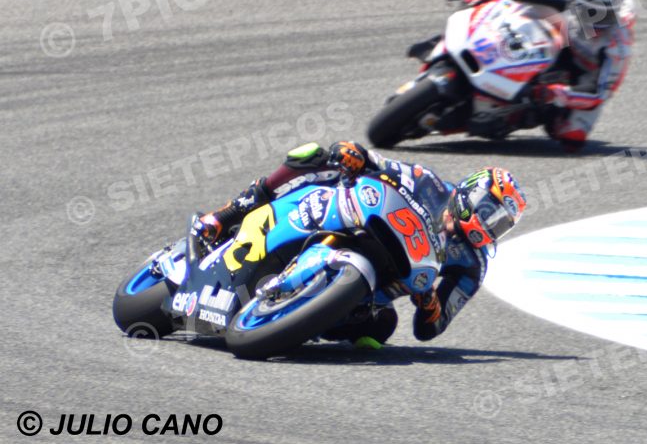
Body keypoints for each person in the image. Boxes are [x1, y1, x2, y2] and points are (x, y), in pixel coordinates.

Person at [192, 141, 527, 348]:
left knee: (381, 327)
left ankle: (295, 320)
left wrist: (429, 305)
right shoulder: (430, 182)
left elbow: (432, 328)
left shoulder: (472, 265)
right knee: (314, 157)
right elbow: (381, 164)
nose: (489, 227)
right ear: (472, 193)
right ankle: (224, 215)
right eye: (490, 213)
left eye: (500, 225)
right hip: (352, 217)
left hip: (379, 281)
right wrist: (356, 154)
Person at [461, 0, 636, 151]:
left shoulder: (618, 46)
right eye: (592, 13)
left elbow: (598, 93)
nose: (598, 22)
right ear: (578, 1)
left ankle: (514, 115)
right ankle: (480, 38)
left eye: (607, 16)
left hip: (585, 72)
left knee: (572, 136)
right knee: (517, 6)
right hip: (561, 36)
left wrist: (556, 93)